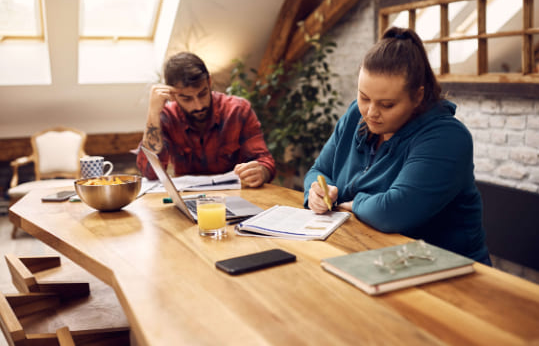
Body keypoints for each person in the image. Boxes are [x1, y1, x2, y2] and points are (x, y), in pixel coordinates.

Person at [304, 27, 490, 264]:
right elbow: (318, 171)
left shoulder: (447, 138)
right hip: (369, 258)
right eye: (364, 97)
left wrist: (353, 203)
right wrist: (318, 191)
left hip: (445, 271)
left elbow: (394, 212)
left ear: (418, 96)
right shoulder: (355, 116)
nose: (371, 113)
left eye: (387, 104)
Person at [136, 52, 275, 188]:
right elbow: (151, 173)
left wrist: (262, 171)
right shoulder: (167, 116)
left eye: (202, 94)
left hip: (236, 198)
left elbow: (265, 161)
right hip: (188, 200)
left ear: (209, 81)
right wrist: (153, 113)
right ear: (172, 94)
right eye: (187, 99)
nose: (198, 106)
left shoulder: (238, 110)